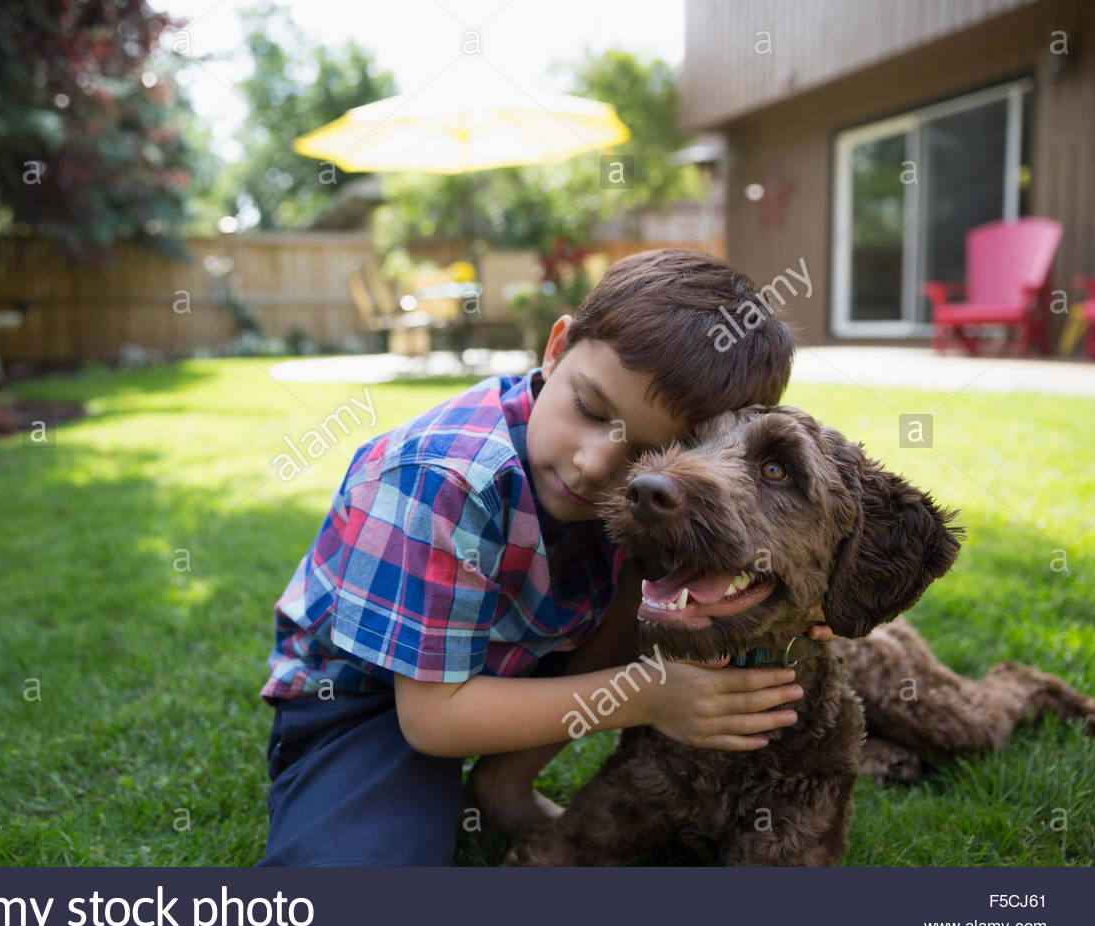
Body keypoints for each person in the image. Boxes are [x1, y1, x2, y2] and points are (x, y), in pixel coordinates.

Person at [254, 248, 834, 866]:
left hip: (518, 653)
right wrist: (646, 694)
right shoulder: (442, 477)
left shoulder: (659, 497)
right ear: (556, 348)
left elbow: (754, 548)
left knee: (668, 579)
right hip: (368, 700)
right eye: (589, 410)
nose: (594, 464)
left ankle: (501, 785)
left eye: (652, 452)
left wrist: (796, 596)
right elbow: (431, 721)